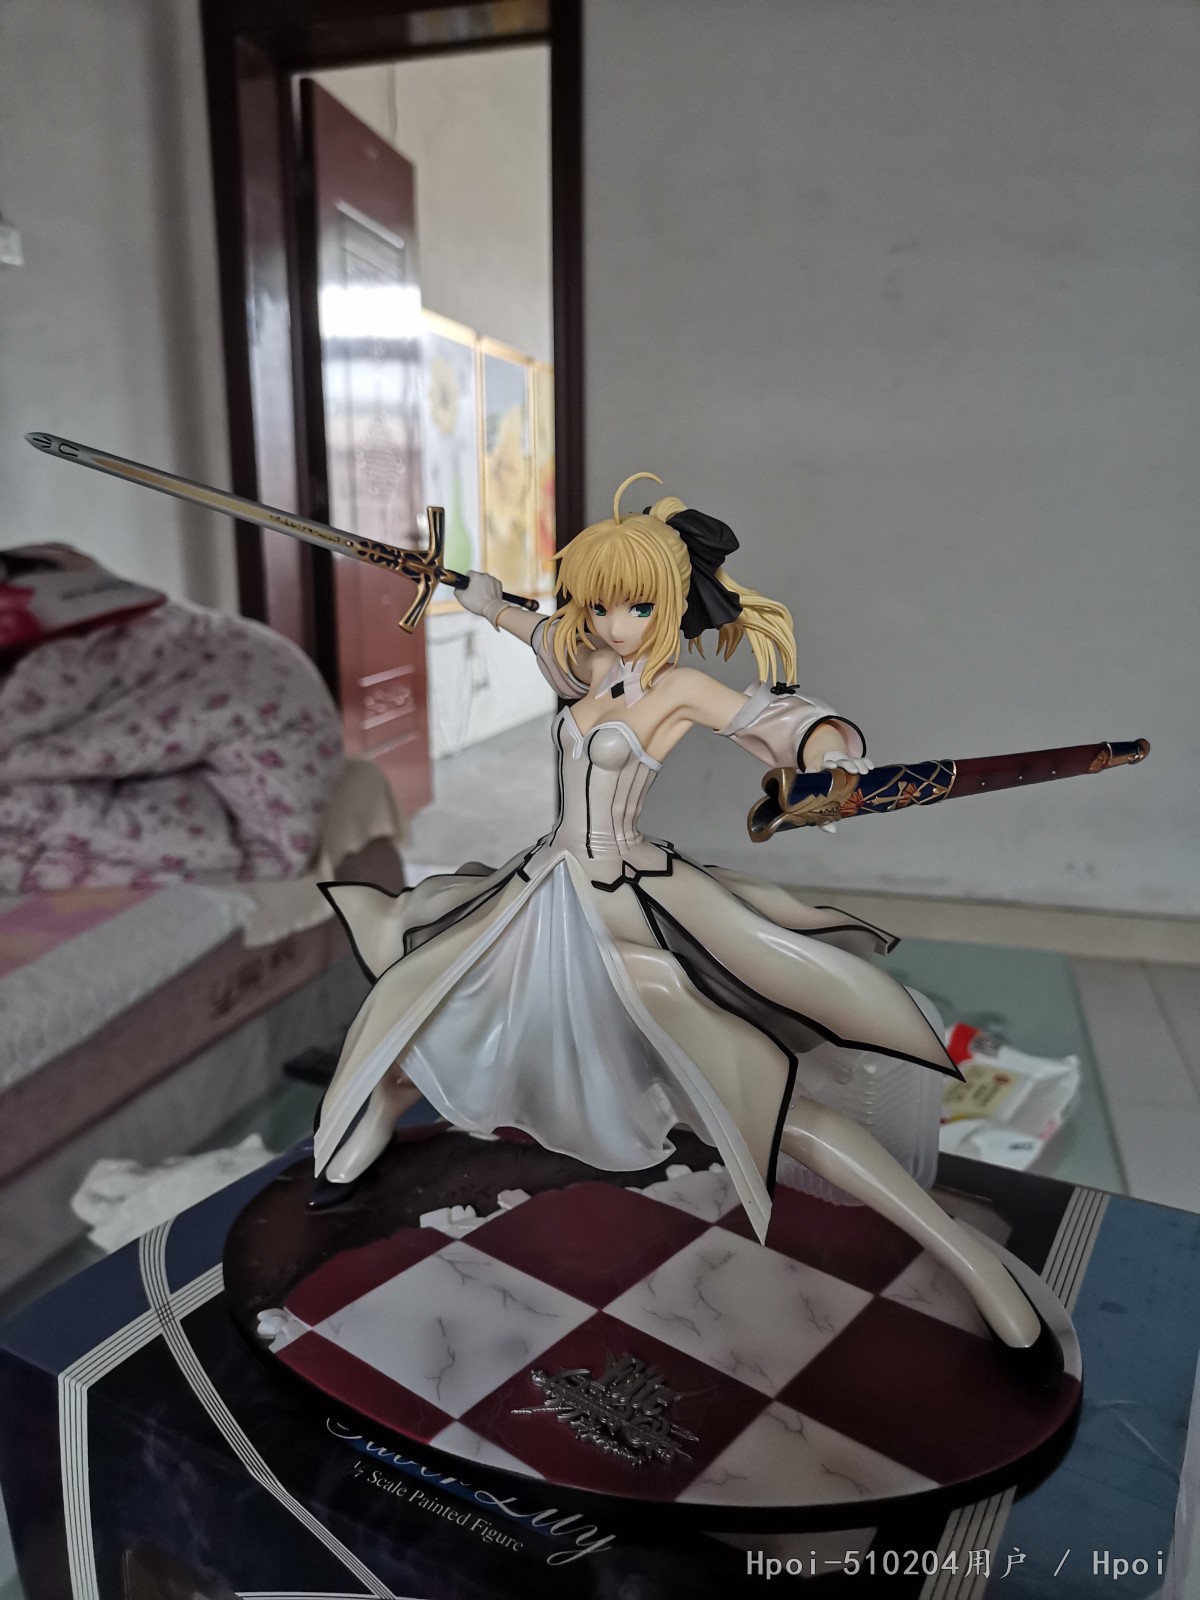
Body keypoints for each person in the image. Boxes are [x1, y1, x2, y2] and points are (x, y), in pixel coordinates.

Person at [313, 474, 1059, 1383]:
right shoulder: (588, 663)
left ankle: (969, 1260)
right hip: (544, 888)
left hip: (625, 904)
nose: (613, 624)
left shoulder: (679, 690)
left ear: (667, 603)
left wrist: (833, 757)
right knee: (433, 995)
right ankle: (381, 1105)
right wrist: (469, 592)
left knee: (758, 1098)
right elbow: (529, 626)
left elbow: (777, 720)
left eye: (633, 607)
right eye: (598, 605)